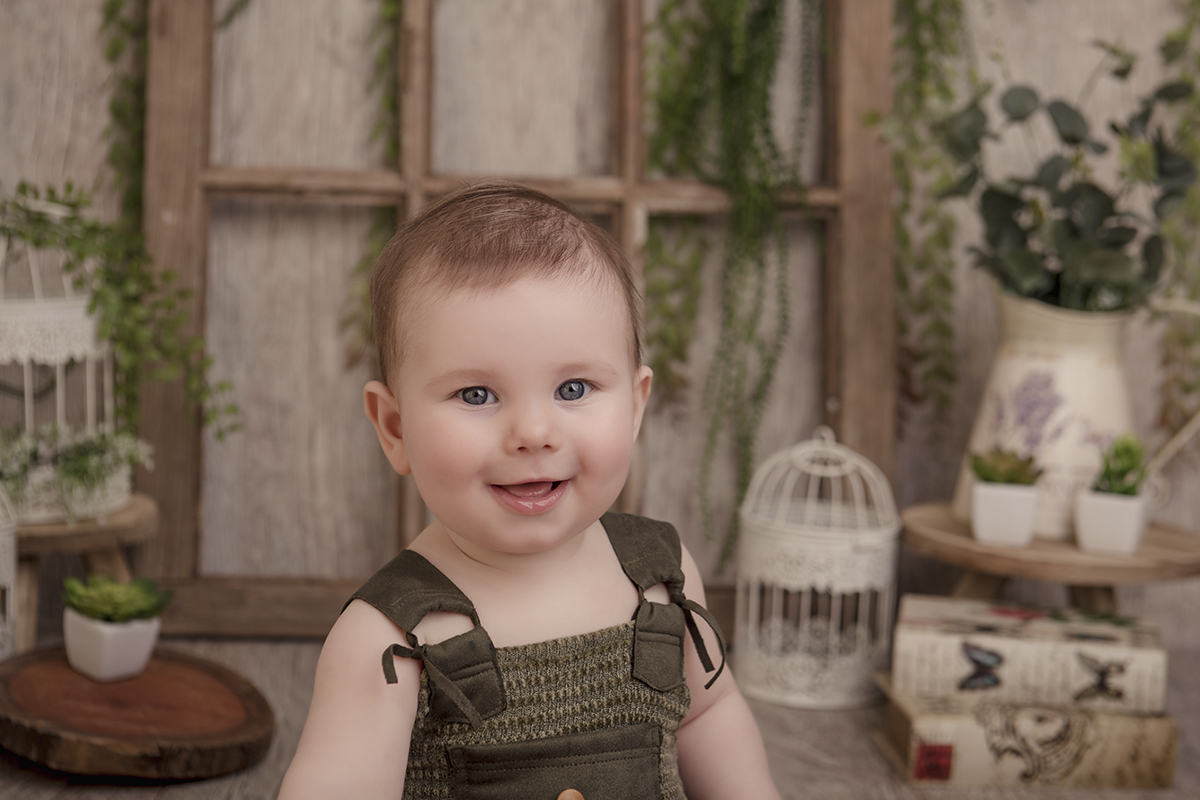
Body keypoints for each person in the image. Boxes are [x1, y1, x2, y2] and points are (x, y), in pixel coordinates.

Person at [278, 182, 782, 800]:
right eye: (476, 395)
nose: (534, 433)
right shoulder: (392, 640)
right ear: (396, 428)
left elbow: (709, 715)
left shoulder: (662, 577)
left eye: (573, 389)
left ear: (634, 406)